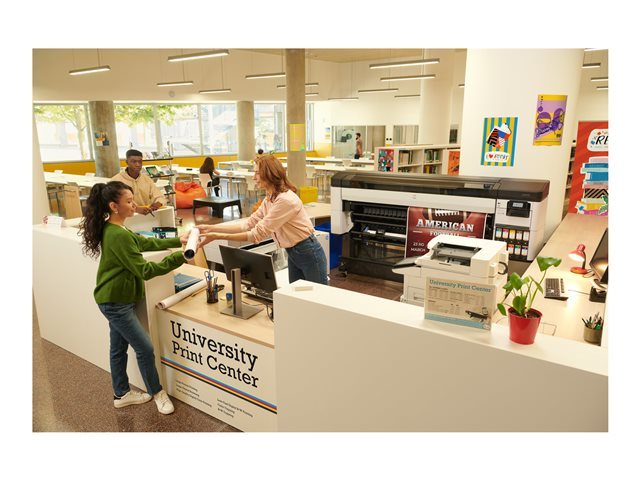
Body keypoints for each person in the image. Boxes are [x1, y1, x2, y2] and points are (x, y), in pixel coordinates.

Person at [79, 180, 190, 415]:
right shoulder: (117, 235)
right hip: (115, 303)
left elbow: (143, 242)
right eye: (129, 201)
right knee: (145, 348)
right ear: (114, 206)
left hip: (116, 300)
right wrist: (180, 257)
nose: (134, 205)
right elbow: (145, 270)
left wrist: (176, 240)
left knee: (118, 349)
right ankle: (157, 393)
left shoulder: (117, 229)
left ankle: (121, 394)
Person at [194, 155, 328, 285]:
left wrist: (216, 236)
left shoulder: (285, 200)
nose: (253, 177)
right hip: (293, 251)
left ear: (269, 174)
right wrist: (210, 228)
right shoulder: (270, 198)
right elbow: (248, 224)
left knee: (319, 296)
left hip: (307, 251)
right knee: (295, 295)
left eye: (257, 173)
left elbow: (256, 234)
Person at [112, 149, 166, 215]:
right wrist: (136, 209)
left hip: (146, 215)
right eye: (134, 162)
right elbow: (114, 203)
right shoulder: (116, 181)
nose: (138, 165)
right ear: (127, 162)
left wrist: (158, 203)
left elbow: (159, 196)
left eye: (140, 162)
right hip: (125, 217)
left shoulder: (147, 179)